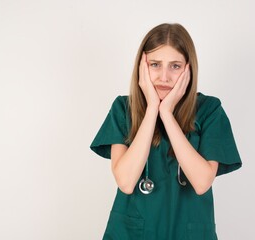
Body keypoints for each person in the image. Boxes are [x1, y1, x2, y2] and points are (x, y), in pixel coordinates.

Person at [90, 23, 242, 240]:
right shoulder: (123, 109)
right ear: (141, 67)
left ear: (189, 68)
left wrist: (167, 114)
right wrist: (152, 108)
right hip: (132, 233)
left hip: (189, 231)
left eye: (175, 66)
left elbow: (201, 182)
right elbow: (125, 180)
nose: (164, 77)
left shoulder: (210, 110)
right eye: (155, 64)